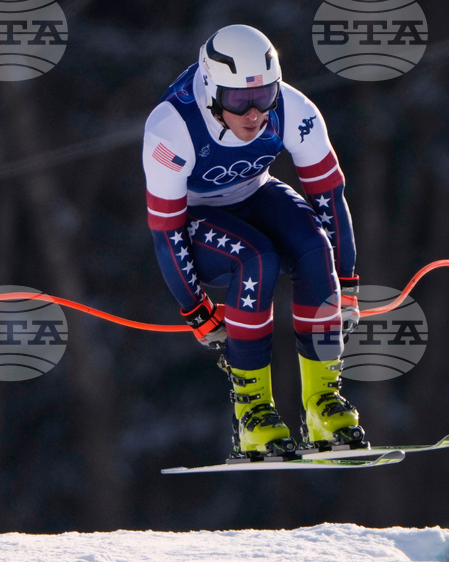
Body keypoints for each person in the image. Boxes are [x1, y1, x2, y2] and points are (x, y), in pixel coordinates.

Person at [141, 25, 362, 459]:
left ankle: (322, 404)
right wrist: (195, 308)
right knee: (256, 258)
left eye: (264, 96)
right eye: (238, 100)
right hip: (196, 215)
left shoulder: (295, 110)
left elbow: (329, 196)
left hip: (256, 192)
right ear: (209, 90)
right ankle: (253, 415)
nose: (254, 113)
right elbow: (167, 232)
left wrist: (346, 281)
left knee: (316, 249)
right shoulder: (170, 130)